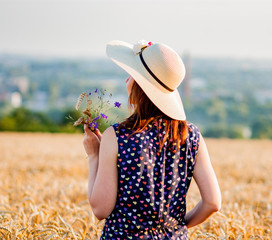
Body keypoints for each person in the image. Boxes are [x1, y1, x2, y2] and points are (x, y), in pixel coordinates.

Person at [83, 40, 221, 240]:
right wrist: (177, 228)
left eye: (131, 75)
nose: (126, 81)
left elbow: (100, 209)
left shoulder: (117, 136)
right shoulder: (191, 136)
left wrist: (94, 155)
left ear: (140, 86)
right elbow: (213, 203)